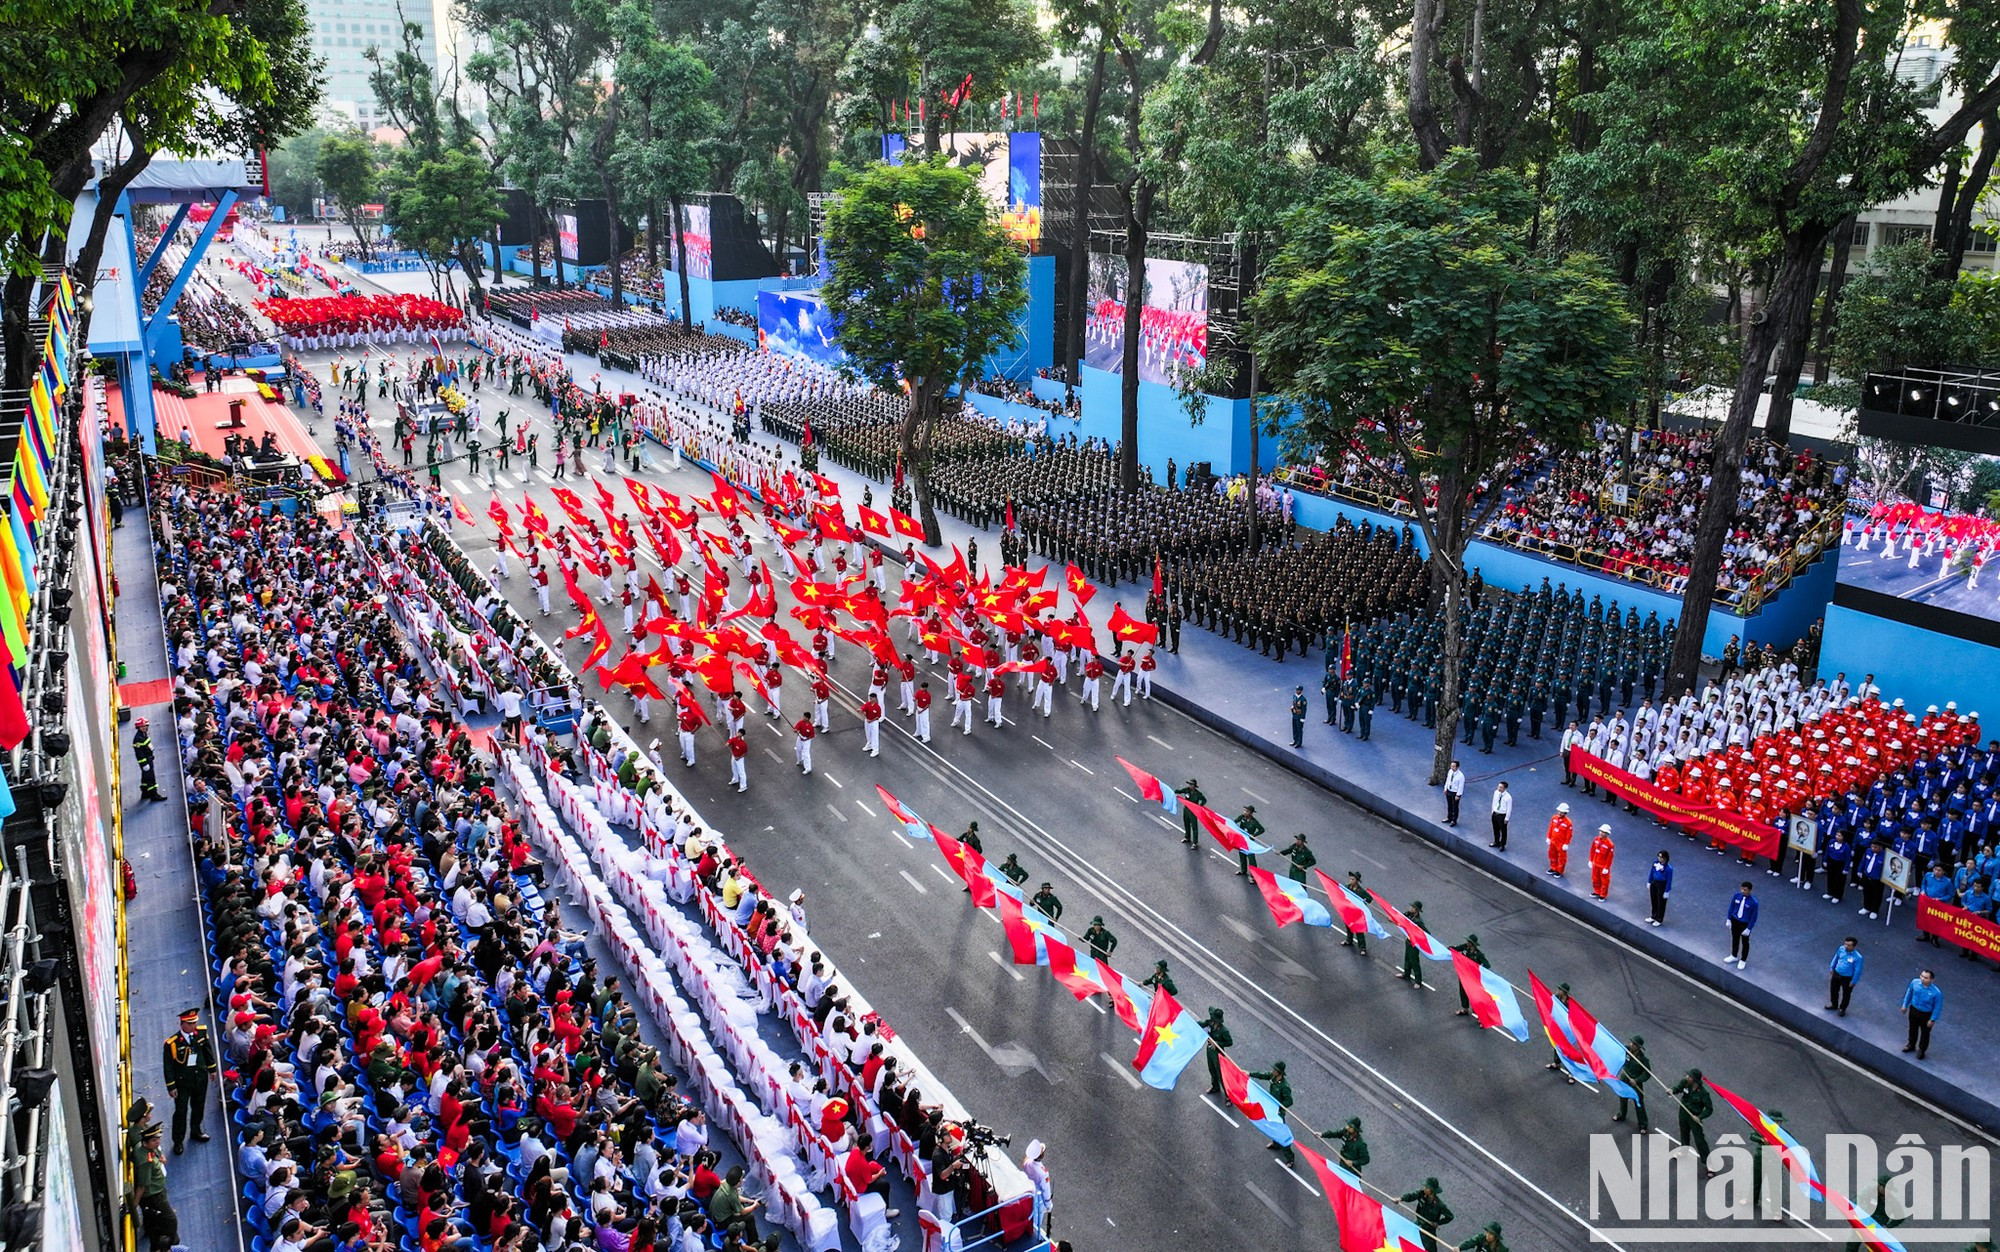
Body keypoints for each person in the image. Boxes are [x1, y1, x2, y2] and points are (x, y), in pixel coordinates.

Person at [161, 1007, 216, 1154]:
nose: (194, 1026)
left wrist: (212, 1069)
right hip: (182, 1082)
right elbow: (168, 1067)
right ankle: (178, 1140)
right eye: (190, 1024)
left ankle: (196, 1130)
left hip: (200, 1078)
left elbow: (207, 1051)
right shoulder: (172, 1044)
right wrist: (171, 1086)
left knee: (198, 1106)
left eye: (195, 1023)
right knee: (181, 1111)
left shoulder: (201, 1034)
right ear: (183, 1024)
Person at [133, 1124, 177, 1248]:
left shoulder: (151, 1148)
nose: (157, 1142)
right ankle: (169, 1246)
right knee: (171, 1219)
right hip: (154, 1195)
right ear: (146, 1143)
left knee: (152, 1219)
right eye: (154, 1140)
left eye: (158, 1138)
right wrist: (134, 1205)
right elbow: (142, 1186)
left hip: (158, 1189)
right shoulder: (146, 1162)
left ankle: (149, 1229)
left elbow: (161, 1157)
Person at [1670, 1069, 1714, 1172]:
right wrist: (1671, 1091)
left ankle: (1709, 1163)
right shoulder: (1685, 1083)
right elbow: (1677, 1089)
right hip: (1683, 1112)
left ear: (1695, 1080)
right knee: (1684, 1133)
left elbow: (1709, 1109)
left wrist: (1700, 1117)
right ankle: (1683, 1152)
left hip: (1694, 1116)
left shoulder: (1704, 1093)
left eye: (1689, 1077)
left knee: (1699, 1140)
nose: (1687, 1078)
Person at [1399, 1177, 1453, 1252]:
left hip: (1429, 1229)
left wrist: (1438, 1223)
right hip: (1419, 1223)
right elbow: (1412, 1196)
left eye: (1426, 1187)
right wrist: (1401, 1199)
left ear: (1431, 1190)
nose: (1424, 1188)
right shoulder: (1421, 1194)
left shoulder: (1439, 1205)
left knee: (1429, 1248)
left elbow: (1450, 1217)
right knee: (1407, 1239)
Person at [1611, 1035, 1650, 1131]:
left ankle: (1643, 1124)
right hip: (1625, 1078)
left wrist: (1637, 1080)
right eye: (1631, 1042)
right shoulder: (1626, 1050)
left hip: (1635, 1083)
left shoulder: (1643, 1060)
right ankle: (1622, 1114)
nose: (1631, 1044)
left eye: (1634, 1044)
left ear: (1638, 1047)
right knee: (1623, 1098)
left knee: (1639, 1103)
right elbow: (1617, 1050)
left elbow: (1647, 1074)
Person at [1901, 969, 1942, 1059]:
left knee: (1925, 1033)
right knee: (1912, 1028)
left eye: (1926, 978)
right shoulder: (1915, 983)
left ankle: (1922, 1050)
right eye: (1922, 976)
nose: (1923, 979)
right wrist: (1905, 1005)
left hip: (1926, 1014)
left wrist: (1932, 1019)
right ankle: (1911, 1044)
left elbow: (1937, 1007)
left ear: (1931, 980)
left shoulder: (1936, 993)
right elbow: (1909, 993)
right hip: (1914, 1010)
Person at [1450, 934, 1490, 1018]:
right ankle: (1465, 1008)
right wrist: (1447, 949)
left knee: (1474, 996)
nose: (1467, 943)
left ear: (1472, 943)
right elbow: (1455, 949)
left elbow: (1487, 965)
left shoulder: (1478, 954)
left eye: (1469, 942)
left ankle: (1480, 1016)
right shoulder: (1465, 948)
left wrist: (1479, 969)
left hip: (1473, 978)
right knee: (1463, 992)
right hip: (1464, 974)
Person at [1726, 881, 1759, 970]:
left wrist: (1749, 928)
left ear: (1750, 890)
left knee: (1745, 942)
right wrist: (1729, 918)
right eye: (1742, 889)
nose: (1743, 891)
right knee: (1735, 938)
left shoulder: (1754, 903)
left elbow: (1753, 917)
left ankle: (1743, 959)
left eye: (1745, 890)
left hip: (1744, 923)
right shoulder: (1737, 896)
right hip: (1735, 920)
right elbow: (1731, 907)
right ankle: (1734, 955)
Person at [1827, 936, 1863, 1016]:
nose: (1846, 946)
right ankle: (1834, 1004)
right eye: (1845, 944)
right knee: (1833, 990)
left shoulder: (1858, 957)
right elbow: (1836, 958)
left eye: (1849, 945)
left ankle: (1842, 1008)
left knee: (1846, 994)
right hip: (1836, 973)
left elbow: (1858, 970)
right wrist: (1831, 968)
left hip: (1847, 978)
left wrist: (1853, 981)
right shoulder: (1841, 949)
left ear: (1854, 946)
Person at [1396, 901, 1429, 986]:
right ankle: (1406, 974)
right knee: (1407, 958)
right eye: (1411, 907)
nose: (1411, 908)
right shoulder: (1410, 915)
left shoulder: (1418, 921)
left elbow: (1427, 933)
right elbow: (1402, 917)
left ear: (1417, 910)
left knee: (1414, 961)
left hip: (1414, 943)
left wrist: (1418, 938)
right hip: (1408, 940)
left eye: (1413, 907)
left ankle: (1418, 981)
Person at [1201, 1008, 1233, 1095]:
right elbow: (1201, 1024)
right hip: (1210, 1050)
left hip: (1218, 1053)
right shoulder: (1209, 1023)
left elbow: (1229, 1042)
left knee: (1221, 1074)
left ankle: (1228, 1095)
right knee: (1212, 1070)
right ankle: (1215, 1087)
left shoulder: (1223, 1031)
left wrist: (1217, 1043)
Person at [1546, 803, 1574, 878]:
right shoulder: (1554, 818)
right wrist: (1548, 837)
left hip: (1561, 843)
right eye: (1559, 811)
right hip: (1553, 840)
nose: (1559, 813)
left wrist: (1566, 844)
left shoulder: (1568, 823)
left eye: (1561, 812)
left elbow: (1569, 834)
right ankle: (1553, 868)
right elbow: (1550, 828)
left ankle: (1559, 871)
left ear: (1565, 813)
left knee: (1561, 858)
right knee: (1552, 854)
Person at [1176, 778, 1206, 847]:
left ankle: (1195, 842)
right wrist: (1172, 792)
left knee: (1194, 827)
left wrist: (1199, 807)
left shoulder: (1198, 794)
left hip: (1193, 812)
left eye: (1191, 784)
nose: (1189, 785)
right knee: (1186, 824)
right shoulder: (1187, 790)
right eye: (1189, 784)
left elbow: (1204, 800)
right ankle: (1187, 837)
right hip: (1186, 810)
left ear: (1194, 785)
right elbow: (1180, 791)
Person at [1588, 824, 1615, 900]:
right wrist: (1590, 860)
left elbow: (1609, 858)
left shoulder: (1610, 845)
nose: (1601, 833)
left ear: (1607, 834)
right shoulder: (1596, 840)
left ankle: (1602, 895)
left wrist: (1606, 868)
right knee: (1595, 879)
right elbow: (1592, 850)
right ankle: (1597, 891)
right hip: (1595, 864)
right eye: (1600, 831)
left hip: (1603, 866)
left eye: (1603, 832)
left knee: (1604, 882)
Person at [1646, 850, 1673, 926]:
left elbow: (1669, 880)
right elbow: (1651, 872)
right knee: (1654, 899)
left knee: (1661, 903)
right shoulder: (1655, 863)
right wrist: (1649, 881)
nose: (1659, 858)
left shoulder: (1668, 868)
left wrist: (1667, 891)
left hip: (1662, 885)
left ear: (1665, 858)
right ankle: (1653, 915)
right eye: (1658, 856)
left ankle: (1659, 919)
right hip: (1654, 882)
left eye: (1661, 857)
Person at [1489, 782, 1512, 850]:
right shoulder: (1496, 793)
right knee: (1495, 829)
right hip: (1495, 813)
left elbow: (1509, 808)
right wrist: (1492, 811)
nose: (1499, 788)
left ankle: (1502, 844)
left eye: (1501, 787)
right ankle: (1496, 841)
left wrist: (1507, 818)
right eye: (1498, 786)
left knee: (1503, 830)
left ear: (1505, 788)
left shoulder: (1508, 797)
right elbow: (1494, 802)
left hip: (1502, 815)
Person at [1442, 760, 1465, 826]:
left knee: (1455, 807)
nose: (1452, 768)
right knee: (1449, 805)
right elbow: (1448, 780)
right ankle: (1449, 817)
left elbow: (1461, 787)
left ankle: (1454, 820)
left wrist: (1458, 795)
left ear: (1457, 767)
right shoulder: (1450, 772)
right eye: (1451, 766)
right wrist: (1445, 788)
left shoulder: (1461, 776)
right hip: (1449, 790)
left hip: (1455, 793)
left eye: (1453, 766)